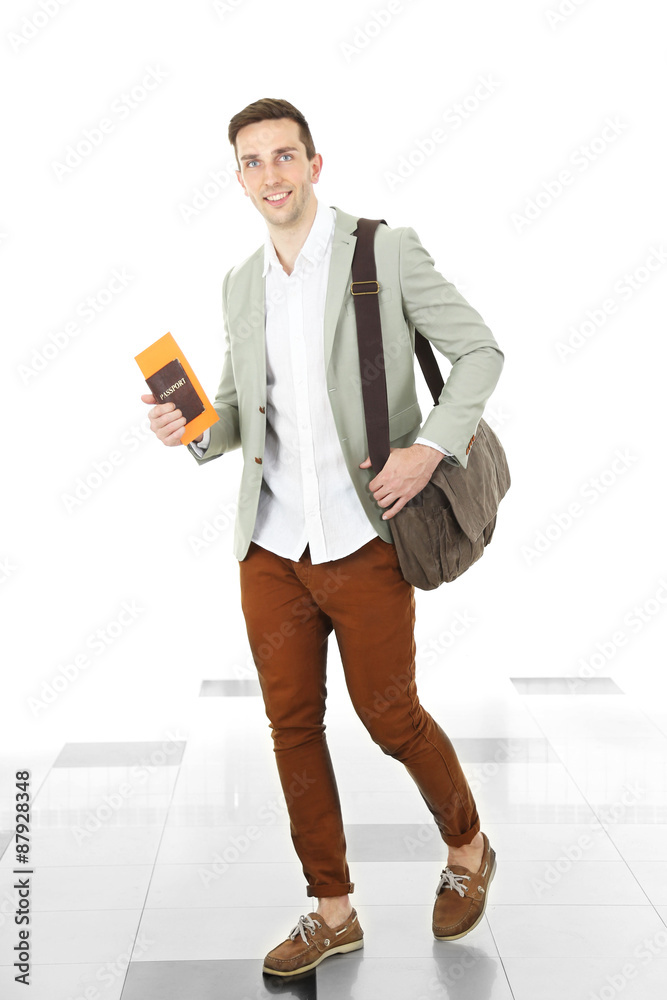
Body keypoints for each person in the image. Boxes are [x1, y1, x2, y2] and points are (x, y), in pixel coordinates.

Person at [143, 97, 503, 978]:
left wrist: (428, 448)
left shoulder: (384, 250)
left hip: (367, 536)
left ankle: (467, 847)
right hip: (270, 549)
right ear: (237, 178)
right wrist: (188, 428)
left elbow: (480, 353)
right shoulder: (240, 283)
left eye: (284, 156)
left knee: (389, 717)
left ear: (314, 163)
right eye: (253, 161)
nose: (271, 175)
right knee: (291, 726)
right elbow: (235, 415)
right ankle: (330, 909)